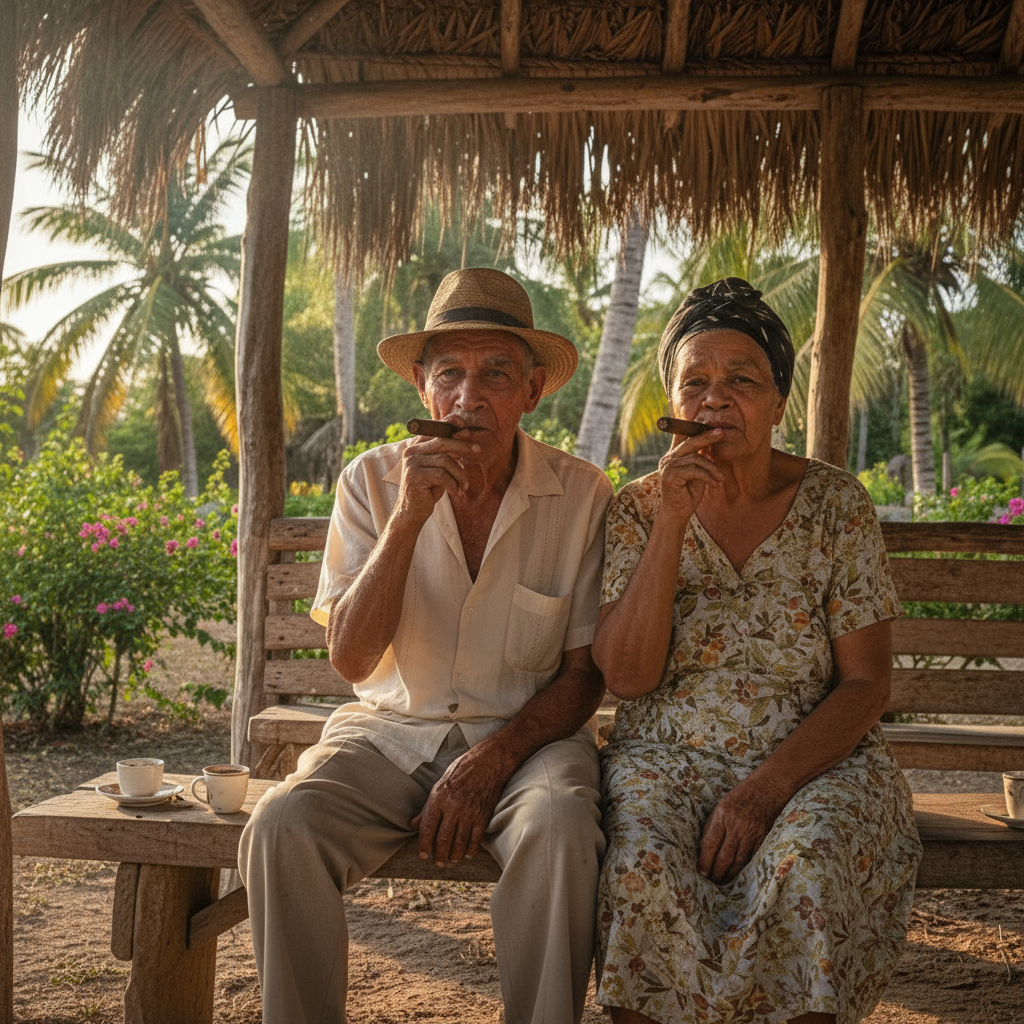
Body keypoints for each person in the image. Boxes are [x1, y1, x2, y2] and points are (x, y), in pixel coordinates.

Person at [239, 267, 613, 1024]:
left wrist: (489, 762)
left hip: (527, 743)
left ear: (533, 389)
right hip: (385, 735)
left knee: (564, 829)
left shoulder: (581, 495)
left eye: (495, 375)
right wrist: (409, 518)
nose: (469, 397)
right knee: (282, 826)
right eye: (451, 375)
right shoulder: (371, 484)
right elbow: (349, 660)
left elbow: (582, 679)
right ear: (422, 387)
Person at [591, 278, 922, 1024]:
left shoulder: (837, 505)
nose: (714, 400)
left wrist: (762, 790)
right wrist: (673, 523)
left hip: (812, 760)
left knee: (807, 863)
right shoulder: (640, 508)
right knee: (642, 865)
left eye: (741, 380)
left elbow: (866, 684)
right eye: (695, 383)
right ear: (674, 402)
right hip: (664, 756)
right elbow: (627, 676)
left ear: (779, 402)